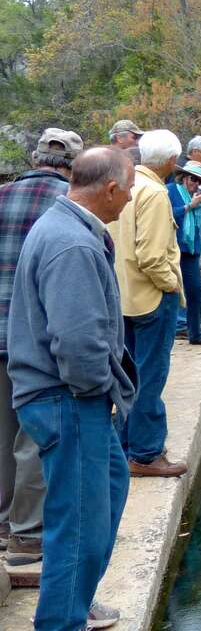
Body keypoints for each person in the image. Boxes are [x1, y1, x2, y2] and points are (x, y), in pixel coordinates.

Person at [7, 147, 136, 631]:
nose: (129, 201)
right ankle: (62, 620)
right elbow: (78, 343)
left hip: (69, 399)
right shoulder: (73, 244)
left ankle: (76, 601)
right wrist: (99, 392)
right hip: (70, 400)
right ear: (109, 189)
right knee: (78, 525)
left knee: (108, 493)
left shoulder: (65, 226)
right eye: (127, 190)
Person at [0, 128, 83, 588]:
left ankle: (4, 521)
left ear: (35, 156)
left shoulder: (2, 195)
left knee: (2, 433)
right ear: (72, 163)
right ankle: (27, 537)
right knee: (34, 437)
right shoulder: (70, 204)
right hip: (35, 336)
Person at [109, 129, 188, 479]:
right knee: (150, 377)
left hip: (122, 298)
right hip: (152, 300)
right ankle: (146, 453)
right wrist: (171, 286)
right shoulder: (155, 193)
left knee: (128, 377)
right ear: (171, 161)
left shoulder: (124, 185)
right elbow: (153, 256)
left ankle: (127, 445)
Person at [169, 161, 201, 347]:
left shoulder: (198, 196)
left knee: (195, 292)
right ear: (184, 177)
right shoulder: (170, 191)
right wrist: (189, 205)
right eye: (193, 178)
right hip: (173, 250)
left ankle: (196, 333)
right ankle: (172, 330)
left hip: (191, 252)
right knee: (171, 293)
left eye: (199, 180)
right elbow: (167, 215)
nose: (195, 183)